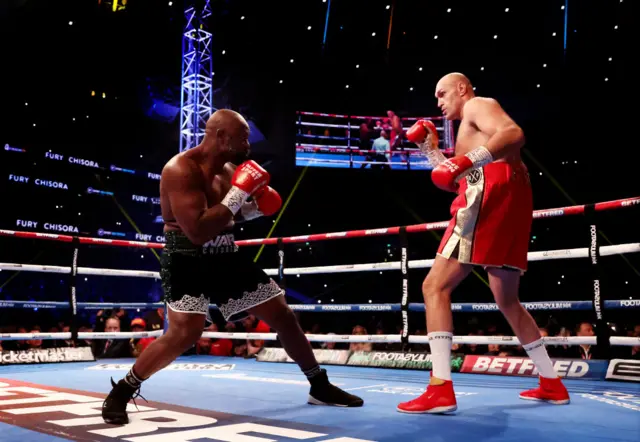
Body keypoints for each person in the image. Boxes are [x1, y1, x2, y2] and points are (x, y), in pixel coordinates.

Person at [102, 109, 363, 425]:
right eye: (242, 137)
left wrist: (253, 210)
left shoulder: (227, 170)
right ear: (220, 136)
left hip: (226, 254)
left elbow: (228, 215)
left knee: (283, 314)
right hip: (187, 256)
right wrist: (240, 193)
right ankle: (123, 391)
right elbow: (197, 230)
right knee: (186, 332)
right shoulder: (180, 170)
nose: (248, 145)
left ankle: (319, 385)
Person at [397, 73, 569, 414]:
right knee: (507, 299)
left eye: (442, 93)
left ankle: (440, 388)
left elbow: (514, 134)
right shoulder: (467, 130)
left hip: (491, 193)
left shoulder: (478, 104)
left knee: (434, 287)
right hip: (508, 197)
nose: (438, 101)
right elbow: (453, 179)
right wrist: (431, 152)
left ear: (462, 88)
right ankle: (552, 383)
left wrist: (466, 160)